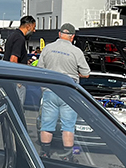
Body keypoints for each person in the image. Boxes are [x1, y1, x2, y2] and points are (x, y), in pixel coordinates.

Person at [37, 23, 89, 159]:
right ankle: (67, 156)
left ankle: (44, 153)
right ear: (72, 37)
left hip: (50, 89)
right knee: (68, 126)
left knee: (47, 124)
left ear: (59, 34)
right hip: (68, 91)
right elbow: (86, 73)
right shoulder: (76, 52)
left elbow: (40, 69)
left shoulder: (48, 48)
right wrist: (75, 73)